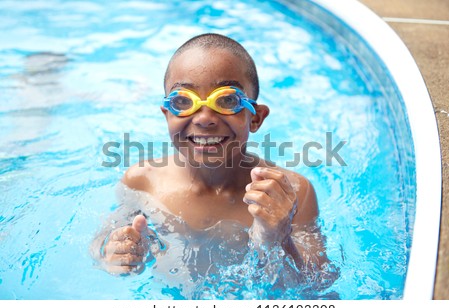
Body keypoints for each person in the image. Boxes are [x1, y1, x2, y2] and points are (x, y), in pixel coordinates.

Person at [92, 33, 331, 287]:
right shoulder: (143, 180)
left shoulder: (290, 193)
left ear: (255, 118)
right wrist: (113, 253)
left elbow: (318, 284)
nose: (204, 118)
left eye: (227, 100)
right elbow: (102, 242)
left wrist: (280, 236)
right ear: (167, 115)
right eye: (183, 101)